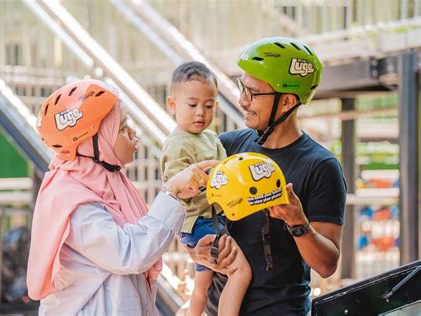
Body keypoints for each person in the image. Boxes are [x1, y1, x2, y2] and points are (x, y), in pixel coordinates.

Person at [26, 79, 219, 315]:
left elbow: (145, 233)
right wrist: (172, 191)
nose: (132, 132)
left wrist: (190, 245)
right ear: (93, 141)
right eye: (121, 127)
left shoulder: (110, 184)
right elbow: (130, 253)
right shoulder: (73, 201)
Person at [190, 37, 347, 315]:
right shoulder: (227, 146)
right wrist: (198, 251)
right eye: (242, 88)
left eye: (252, 93)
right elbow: (193, 215)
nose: (242, 100)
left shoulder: (321, 166)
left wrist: (297, 221)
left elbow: (326, 264)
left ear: (286, 101)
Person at [160, 62, 252, 316]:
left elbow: (226, 171)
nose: (201, 112)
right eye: (192, 105)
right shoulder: (177, 144)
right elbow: (178, 188)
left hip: (214, 216)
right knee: (240, 271)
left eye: (209, 106)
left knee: (203, 283)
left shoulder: (212, 138)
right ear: (172, 105)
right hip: (196, 221)